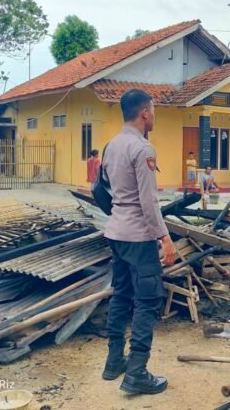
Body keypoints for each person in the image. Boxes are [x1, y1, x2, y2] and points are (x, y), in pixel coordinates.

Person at [100, 89, 176, 395]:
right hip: (139, 236)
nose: (155, 116)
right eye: (154, 110)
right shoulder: (143, 149)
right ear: (144, 113)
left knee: (121, 295)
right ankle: (137, 373)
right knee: (147, 301)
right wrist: (165, 238)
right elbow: (149, 202)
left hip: (116, 232)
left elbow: (103, 189)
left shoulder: (111, 145)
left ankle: (114, 361)